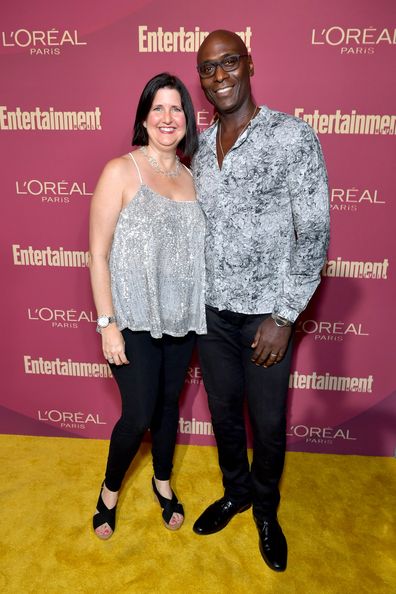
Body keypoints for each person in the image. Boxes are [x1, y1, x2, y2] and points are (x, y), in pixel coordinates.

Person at [192, 31, 330, 572]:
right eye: (208, 68)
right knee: (224, 414)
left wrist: (284, 316)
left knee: (267, 423)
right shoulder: (198, 148)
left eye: (229, 63)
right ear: (200, 79)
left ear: (249, 64)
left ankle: (266, 511)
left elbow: (314, 233)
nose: (220, 76)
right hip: (210, 313)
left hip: (265, 318)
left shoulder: (292, 137)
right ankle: (236, 492)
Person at [89, 72, 206, 539]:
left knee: (166, 408)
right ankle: (109, 491)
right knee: (137, 413)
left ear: (187, 120)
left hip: (181, 321)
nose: (167, 117)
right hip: (133, 318)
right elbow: (97, 253)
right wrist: (107, 324)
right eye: (158, 107)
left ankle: (162, 481)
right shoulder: (121, 170)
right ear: (143, 117)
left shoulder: (193, 179)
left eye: (176, 108)